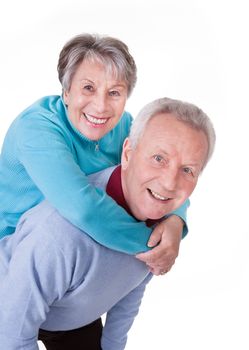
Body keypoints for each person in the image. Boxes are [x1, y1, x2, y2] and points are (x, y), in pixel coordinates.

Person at [0, 97, 216, 350]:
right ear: (127, 154)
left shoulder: (160, 233)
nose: (169, 183)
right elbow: (12, 336)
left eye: (188, 170)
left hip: (69, 315)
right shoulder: (58, 236)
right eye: (158, 158)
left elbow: (128, 291)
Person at [0, 33, 189, 273]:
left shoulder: (124, 127)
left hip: (81, 251)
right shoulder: (36, 128)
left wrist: (175, 220)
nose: (100, 106)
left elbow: (164, 172)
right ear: (66, 92)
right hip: (16, 260)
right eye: (88, 88)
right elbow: (83, 208)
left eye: (114, 93)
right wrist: (155, 247)